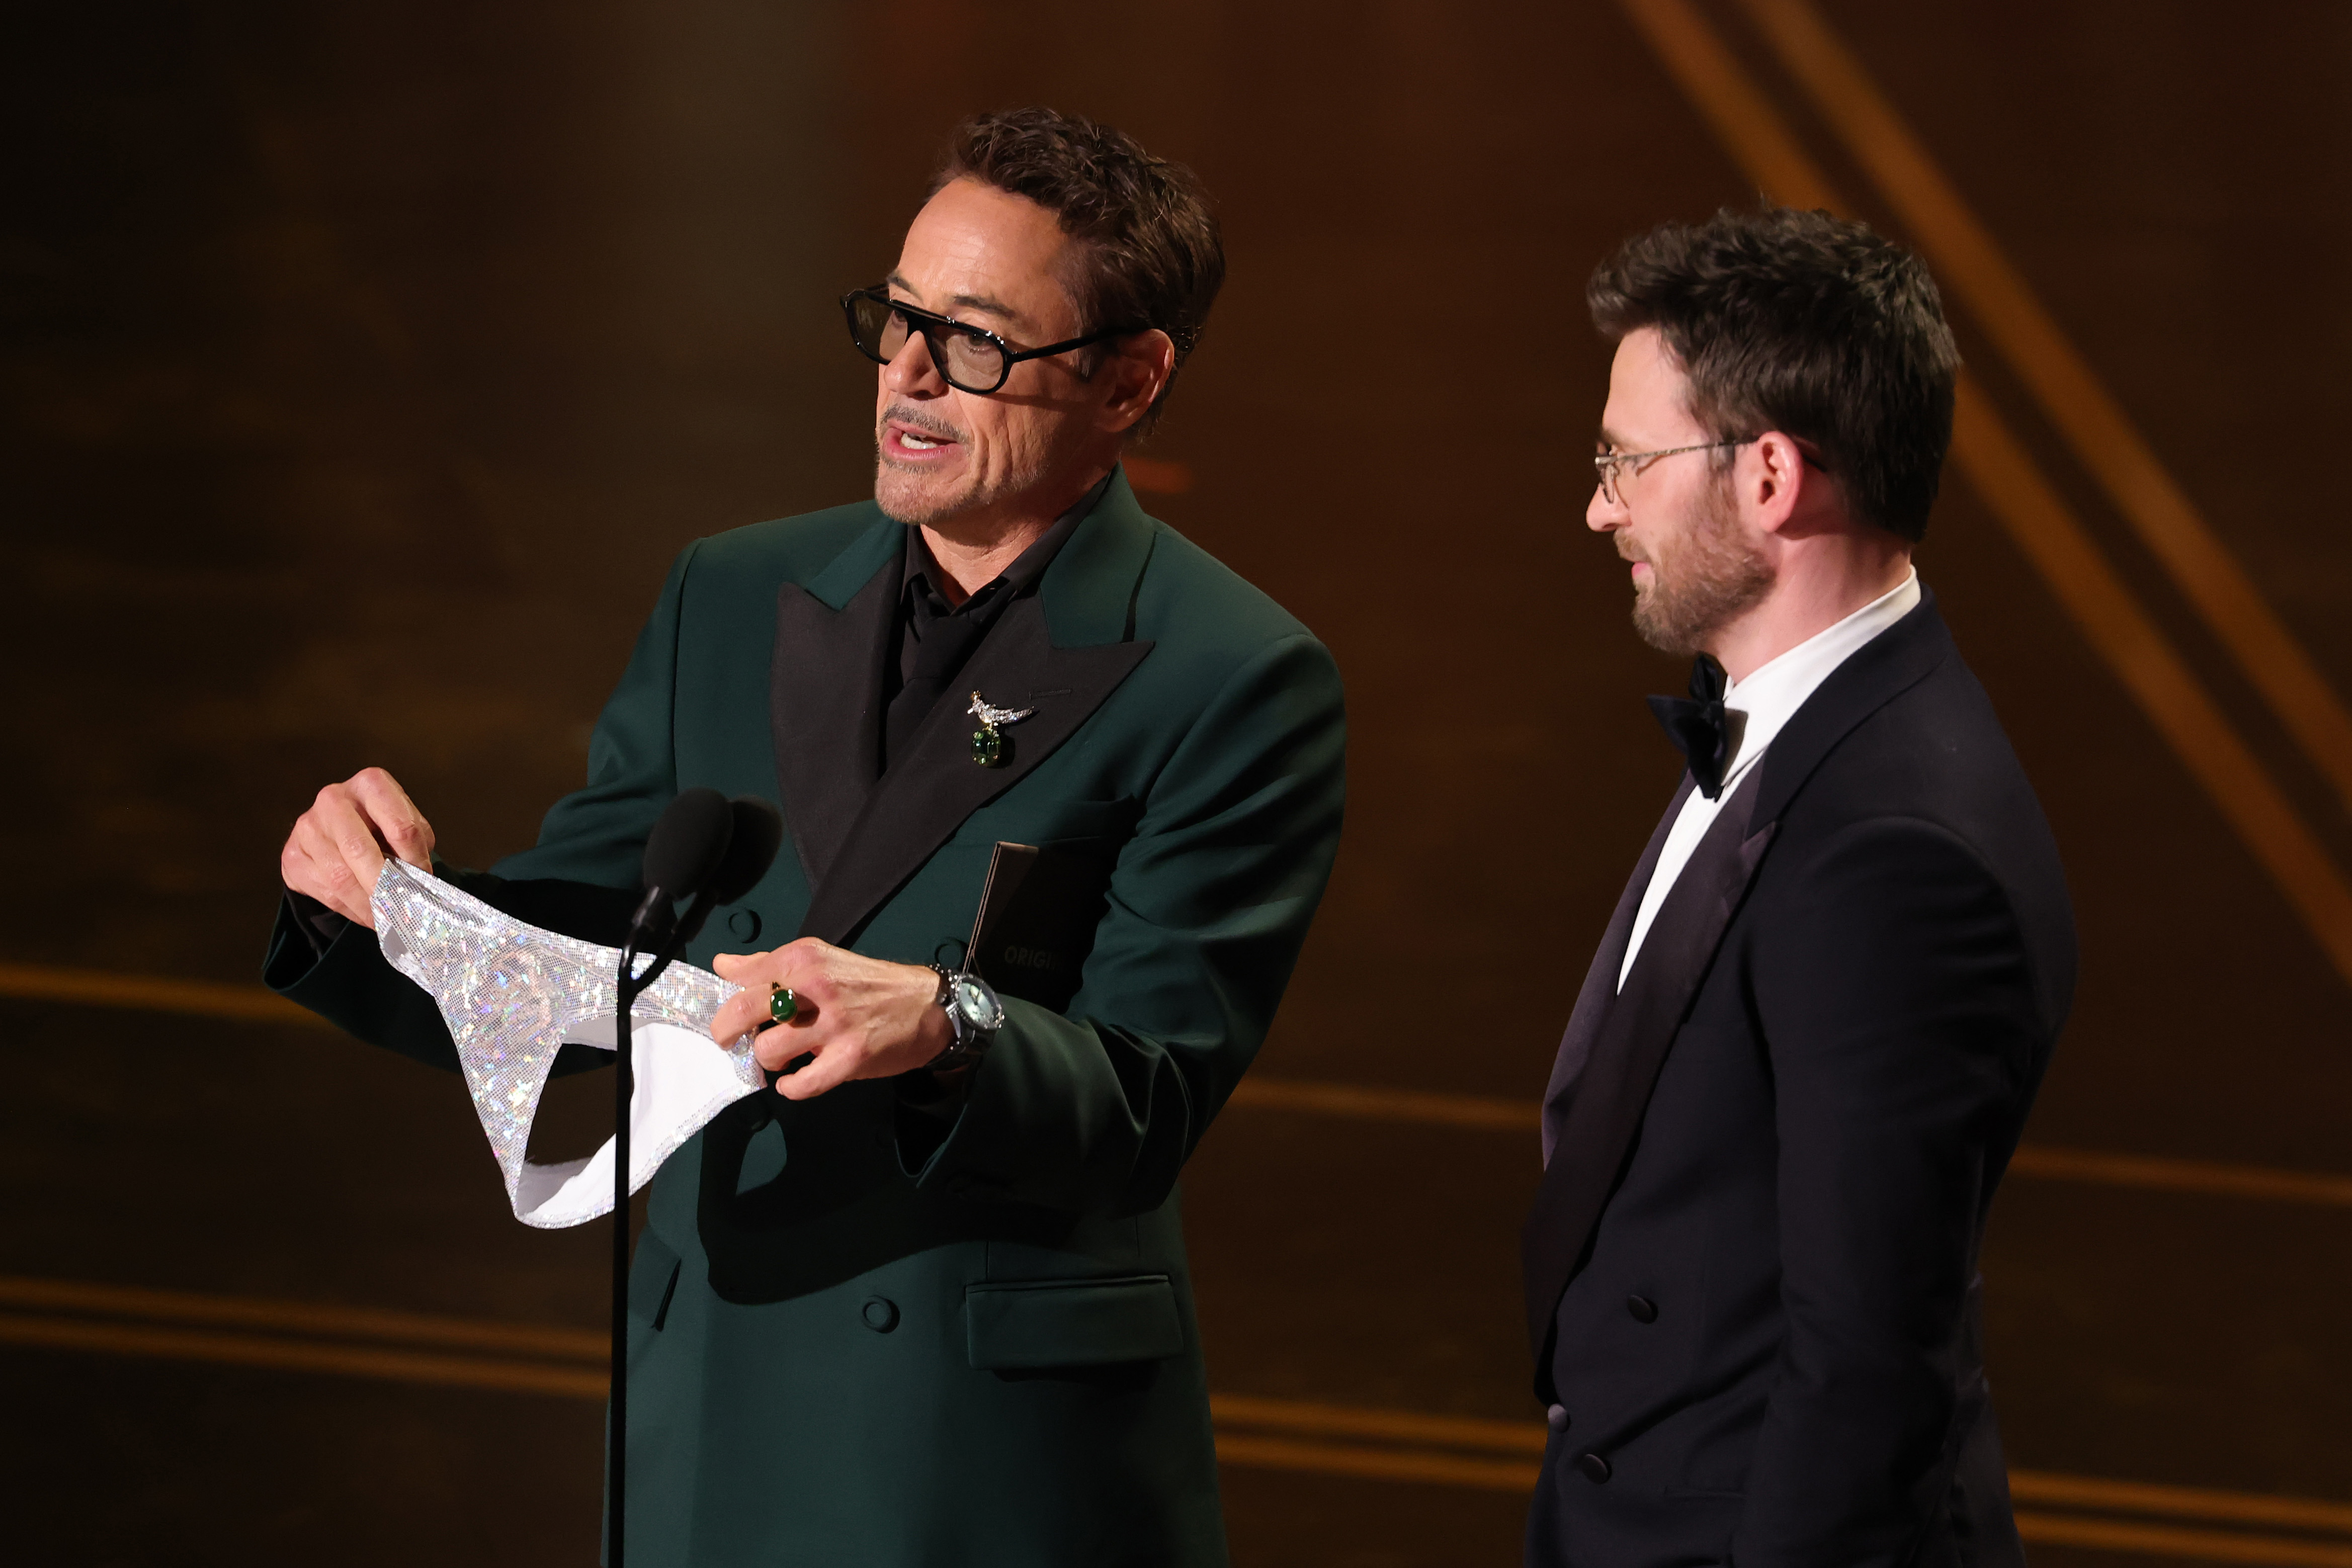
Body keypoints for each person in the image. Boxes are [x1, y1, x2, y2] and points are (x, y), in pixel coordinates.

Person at [268, 107, 1346, 1566]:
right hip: (712, 1395)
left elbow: (1150, 1101)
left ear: (1130, 378)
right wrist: (383, 904)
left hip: (976, 1451)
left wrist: (956, 1026)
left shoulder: (1231, 674)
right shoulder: (731, 590)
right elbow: (597, 958)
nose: (904, 375)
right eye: (895, 318)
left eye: (970, 340)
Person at [1521, 207, 2075, 1567]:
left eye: (1625, 461)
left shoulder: (1893, 854)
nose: (1597, 505)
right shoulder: (1802, 724)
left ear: (1768, 476)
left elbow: (1865, 1366)